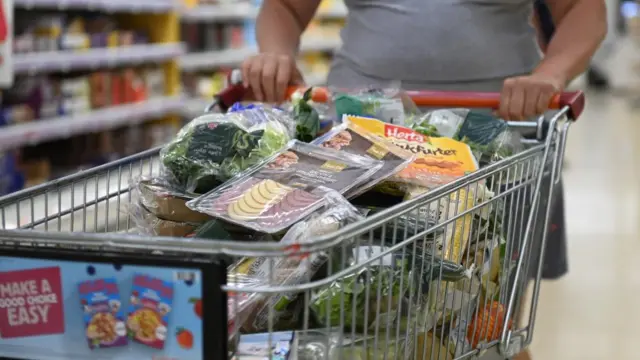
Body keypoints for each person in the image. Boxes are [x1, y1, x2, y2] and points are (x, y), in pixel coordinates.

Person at [241, 1, 607, 359]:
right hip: (363, 146)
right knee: (351, 327)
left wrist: (550, 75)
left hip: (499, 142)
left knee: (486, 329)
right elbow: (285, 8)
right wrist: (275, 54)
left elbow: (583, 10)